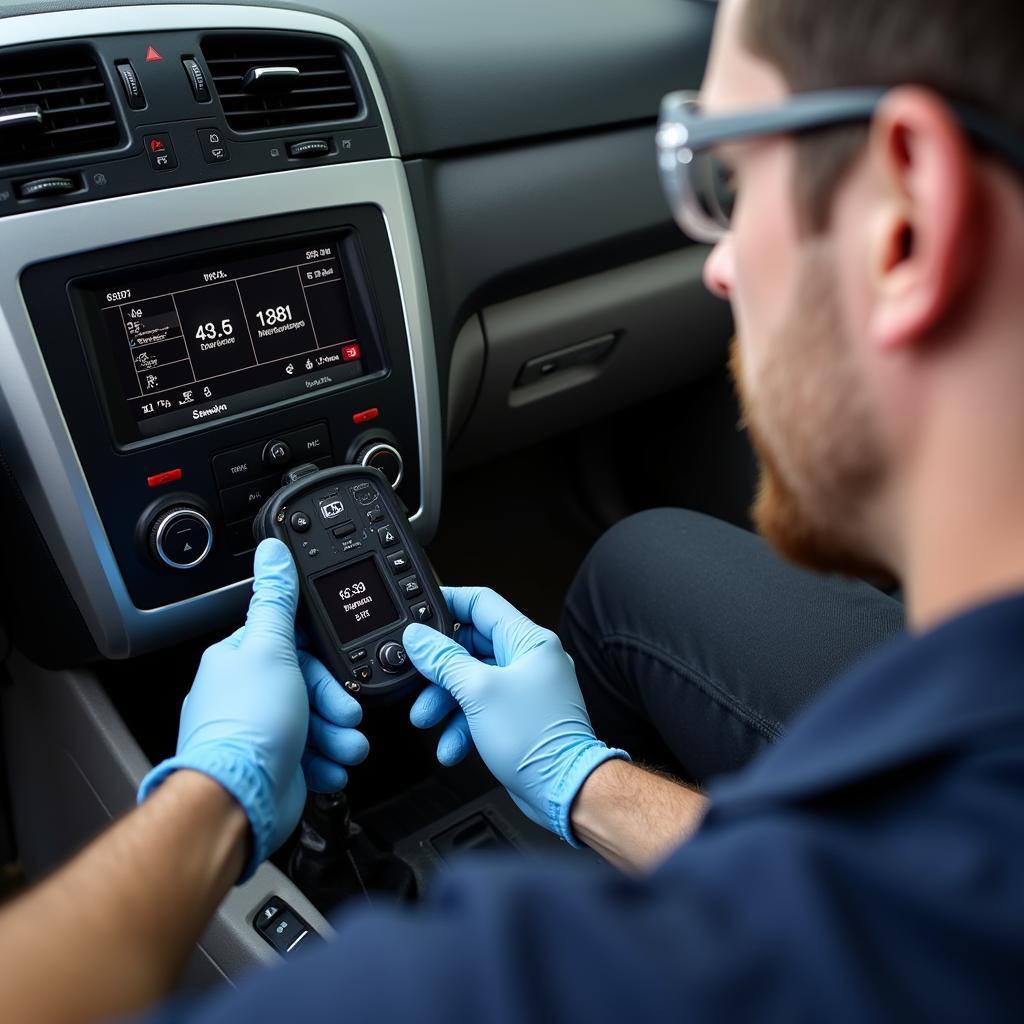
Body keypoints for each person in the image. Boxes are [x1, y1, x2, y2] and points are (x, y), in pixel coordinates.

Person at [3, 0, 1024, 1018]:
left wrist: (213, 798)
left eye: (727, 176)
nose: (715, 259)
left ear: (906, 218)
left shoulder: (485, 984)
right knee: (638, 564)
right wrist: (584, 780)